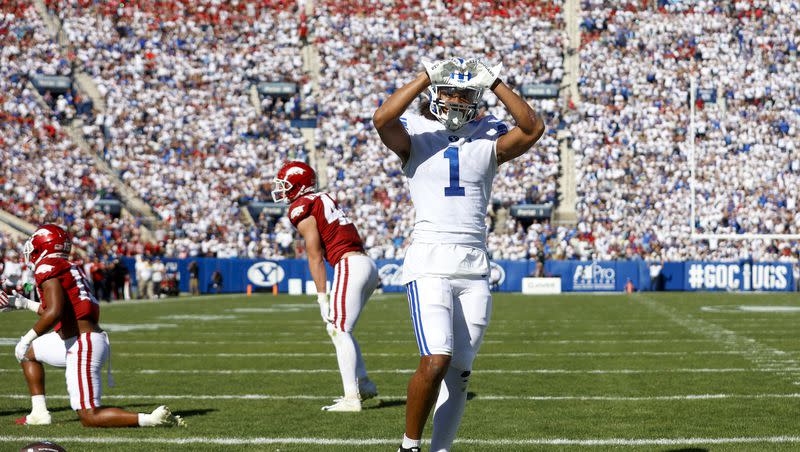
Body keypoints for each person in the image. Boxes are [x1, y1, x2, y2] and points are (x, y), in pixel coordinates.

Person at [373, 57, 545, 451]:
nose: (455, 98)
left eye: (465, 92)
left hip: (473, 264)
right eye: (449, 90)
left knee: (461, 372)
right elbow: (383, 119)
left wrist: (496, 82)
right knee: (436, 360)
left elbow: (533, 127)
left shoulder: (488, 135)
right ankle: (408, 446)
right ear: (435, 93)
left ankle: (441, 448)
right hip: (430, 260)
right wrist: (424, 76)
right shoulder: (416, 132)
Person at [4, 224, 184, 427]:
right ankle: (39, 413)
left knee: (90, 417)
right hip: (79, 339)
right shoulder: (69, 266)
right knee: (30, 355)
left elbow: (54, 313)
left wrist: (26, 337)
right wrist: (24, 303)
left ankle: (150, 419)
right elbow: (60, 310)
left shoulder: (47, 266)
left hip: (82, 343)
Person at [272, 161, 380, 412]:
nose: (282, 191)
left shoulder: (302, 205)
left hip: (349, 264)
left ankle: (351, 398)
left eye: (286, 186)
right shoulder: (322, 198)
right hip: (366, 265)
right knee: (342, 328)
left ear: (300, 186)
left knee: (338, 328)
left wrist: (322, 296)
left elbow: (314, 254)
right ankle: (363, 383)